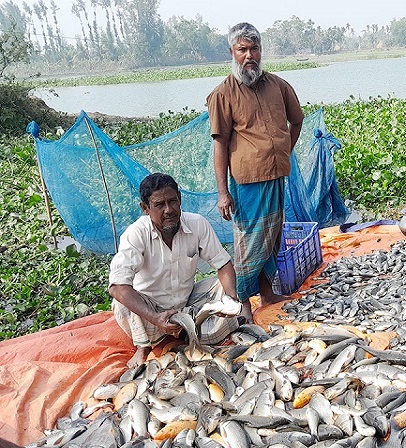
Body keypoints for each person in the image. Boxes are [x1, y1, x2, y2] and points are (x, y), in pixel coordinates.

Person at [207, 22, 305, 307]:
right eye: (242, 50)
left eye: (254, 48)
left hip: (276, 174)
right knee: (248, 244)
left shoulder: (278, 85)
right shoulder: (223, 94)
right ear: (232, 52)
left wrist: (284, 149)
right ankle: (243, 305)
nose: (249, 55)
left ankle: (266, 294)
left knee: (271, 239)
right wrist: (222, 192)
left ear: (261, 51)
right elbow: (220, 143)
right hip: (247, 182)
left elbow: (296, 120)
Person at [109, 173, 251, 368]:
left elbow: (223, 264)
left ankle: (189, 330)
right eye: (159, 205)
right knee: (123, 302)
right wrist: (156, 318)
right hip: (149, 312)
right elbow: (117, 287)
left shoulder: (197, 223)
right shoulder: (136, 234)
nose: (169, 210)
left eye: (173, 201)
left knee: (224, 288)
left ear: (180, 199)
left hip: (187, 303)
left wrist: (231, 299)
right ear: (145, 208)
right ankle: (144, 346)